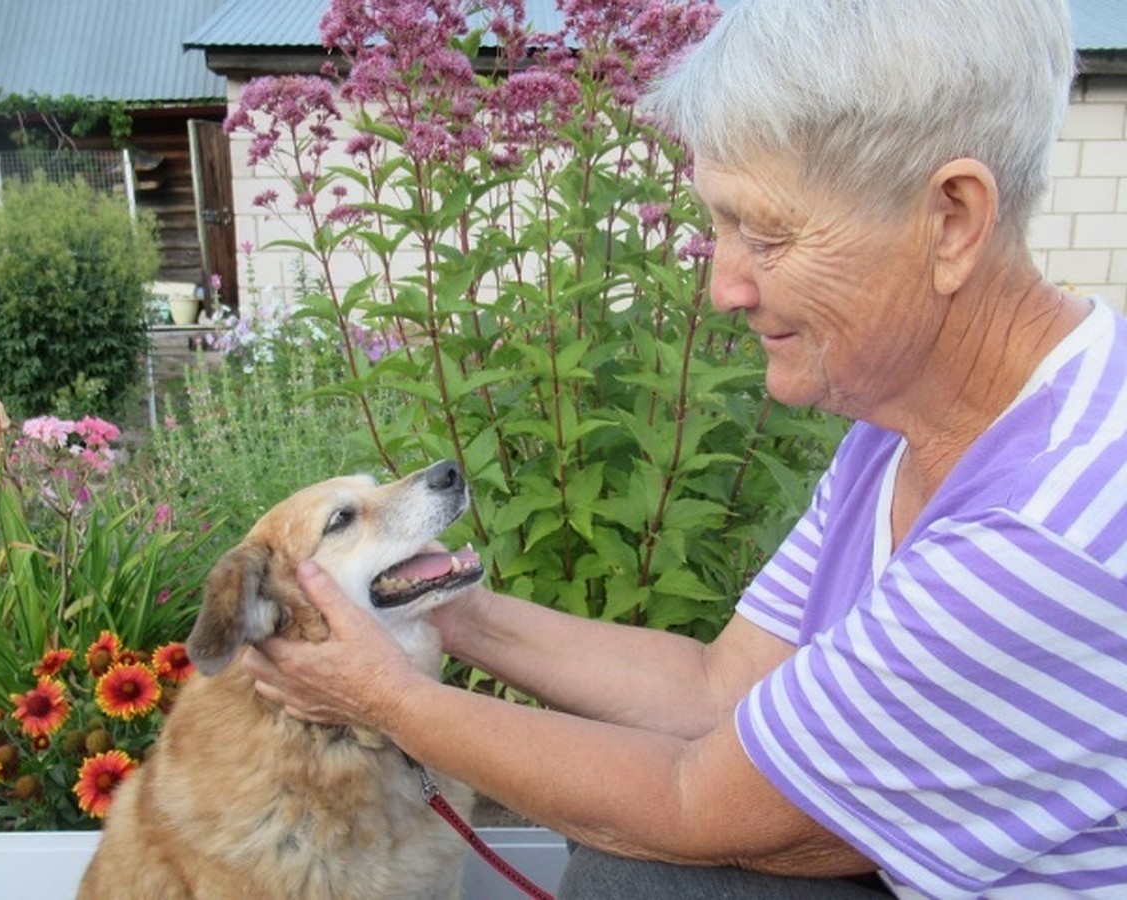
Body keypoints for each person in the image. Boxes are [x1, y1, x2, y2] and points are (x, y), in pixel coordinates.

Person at [242, 0, 1127, 895]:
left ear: (952, 220)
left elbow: (697, 803)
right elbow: (718, 687)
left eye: (768, 233)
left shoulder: (1043, 531)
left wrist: (383, 698)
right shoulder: (902, 428)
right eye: (721, 226)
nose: (724, 286)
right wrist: (449, 610)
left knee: (637, 874)